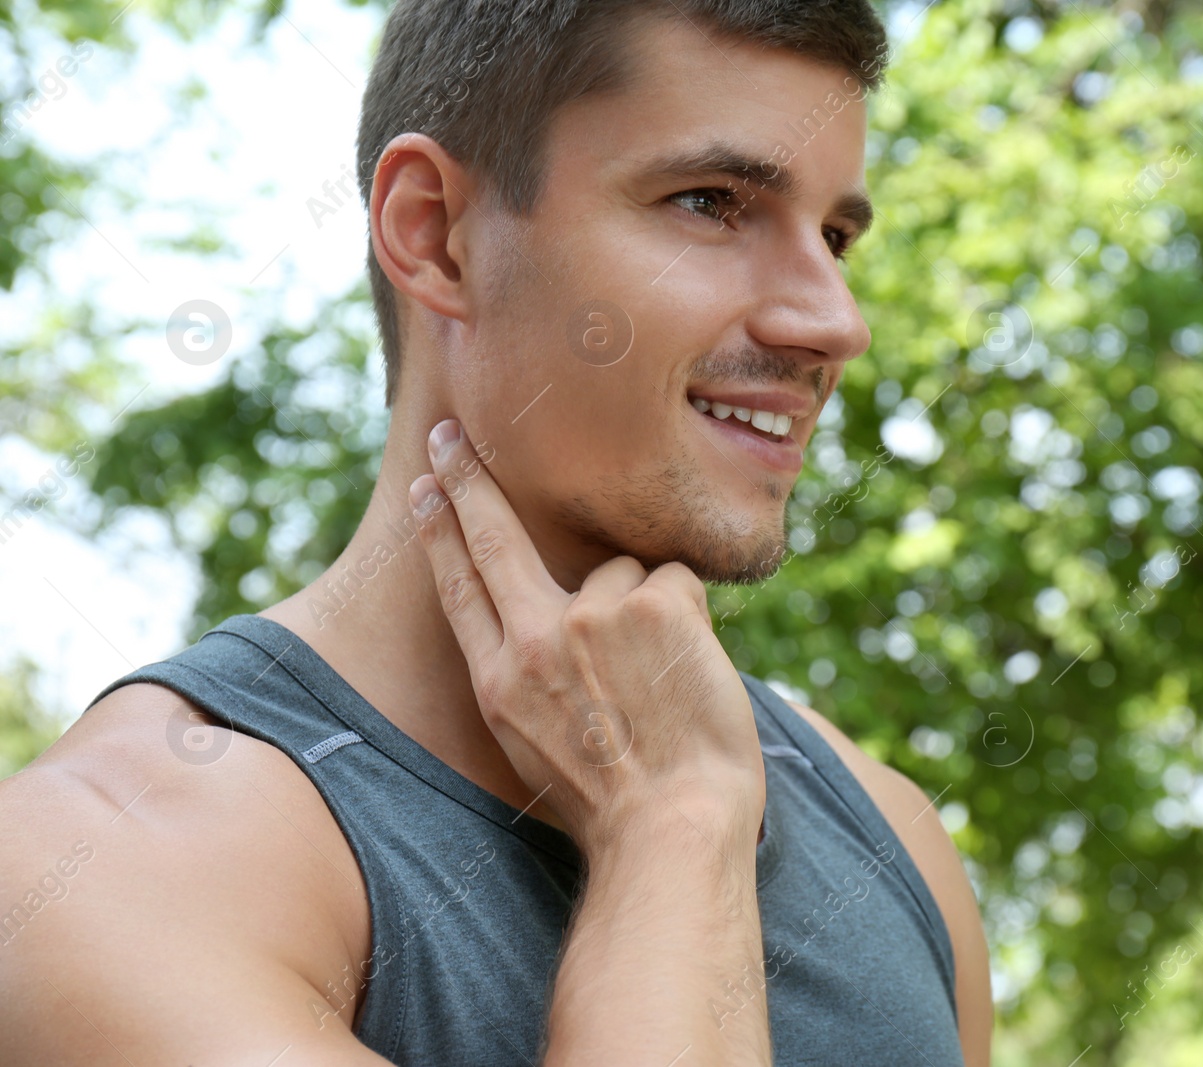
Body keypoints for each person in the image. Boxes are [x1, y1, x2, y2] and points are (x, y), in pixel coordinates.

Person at [0, 1, 992, 1063]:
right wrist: (669, 828)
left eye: (834, 237)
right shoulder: (102, 860)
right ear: (433, 234)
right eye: (712, 203)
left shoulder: (895, 838)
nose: (836, 319)